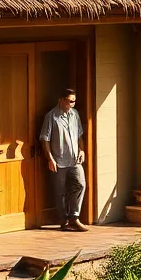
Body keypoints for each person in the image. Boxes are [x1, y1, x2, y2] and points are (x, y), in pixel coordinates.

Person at [39, 86, 87, 231]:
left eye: (73, 102)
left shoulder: (75, 114)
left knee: (80, 184)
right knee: (60, 191)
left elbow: (79, 135)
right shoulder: (51, 116)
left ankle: (74, 216)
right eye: (69, 102)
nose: (71, 105)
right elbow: (44, 139)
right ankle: (64, 221)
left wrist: (82, 150)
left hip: (74, 159)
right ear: (61, 100)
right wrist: (50, 159)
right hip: (59, 160)